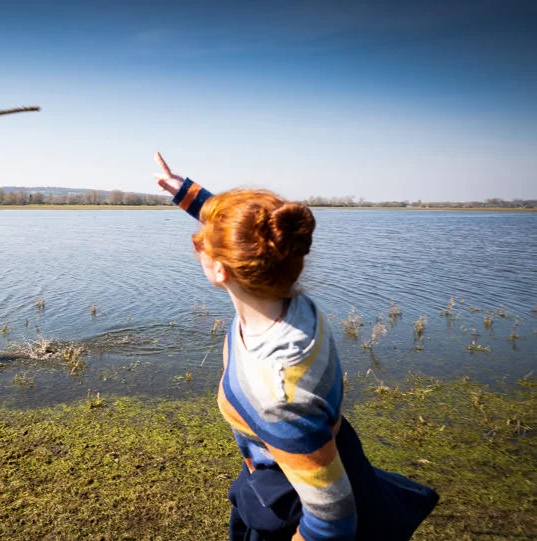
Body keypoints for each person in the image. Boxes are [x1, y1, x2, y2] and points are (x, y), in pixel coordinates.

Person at [153, 152, 439, 541]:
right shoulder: (291, 301)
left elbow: (331, 520)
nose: (197, 245)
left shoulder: (279, 395)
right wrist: (187, 193)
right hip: (294, 460)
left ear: (221, 270)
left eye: (202, 243)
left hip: (289, 501)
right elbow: (252, 235)